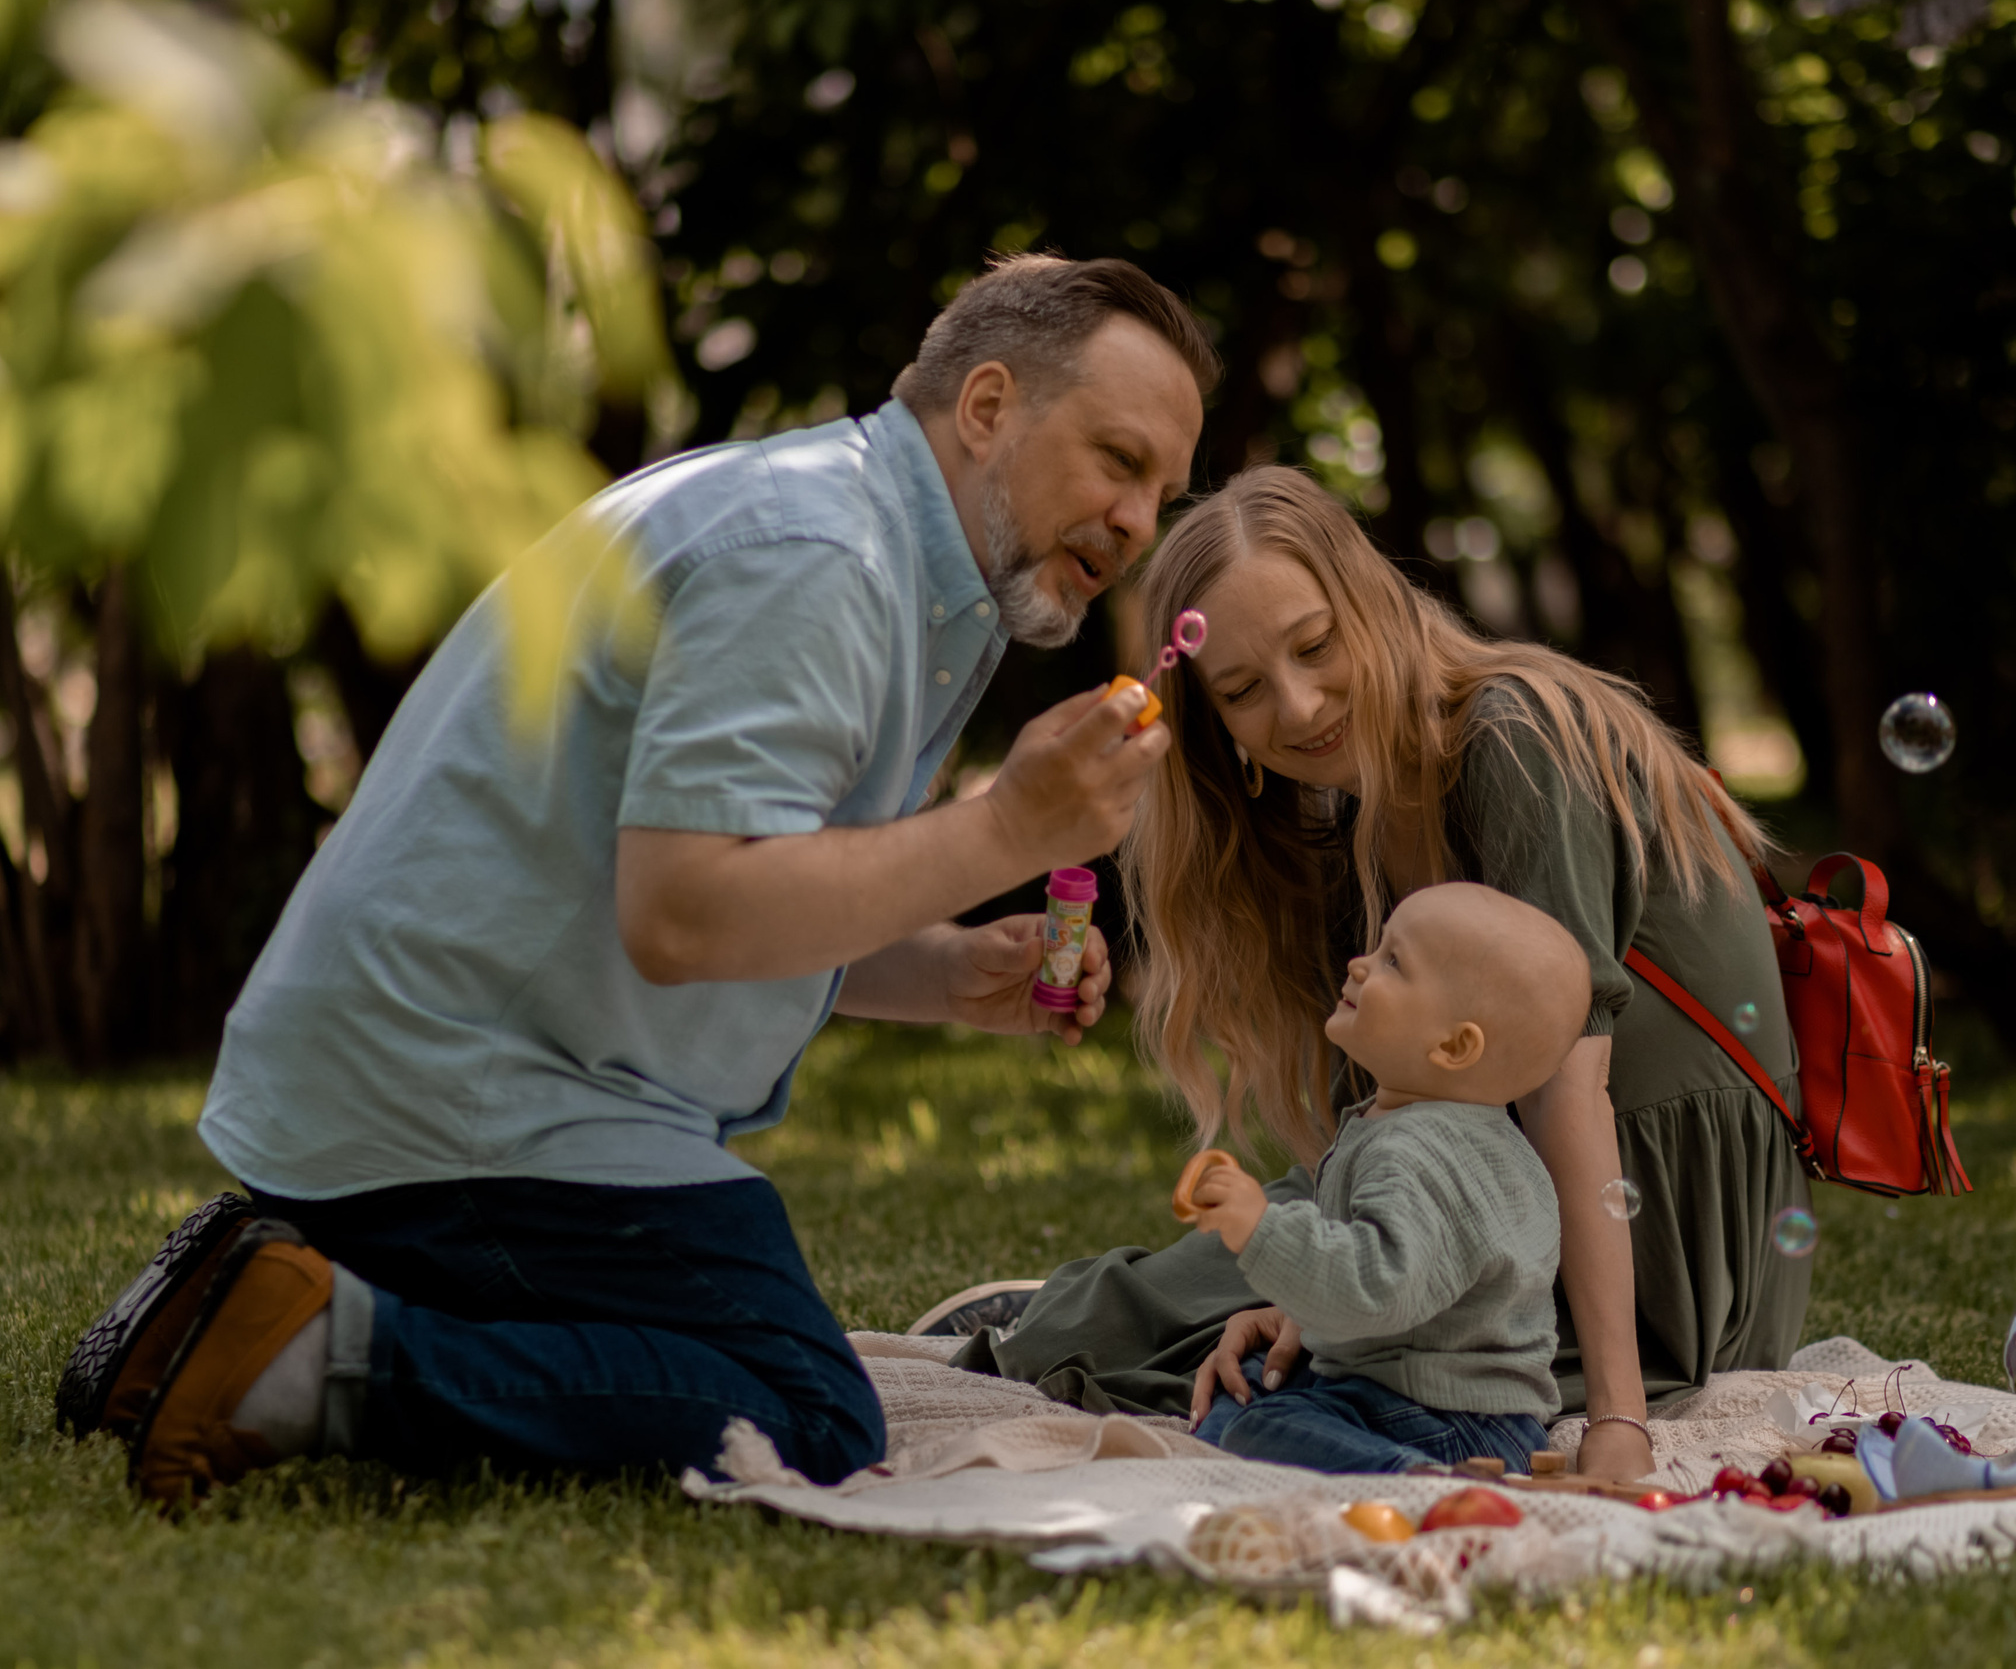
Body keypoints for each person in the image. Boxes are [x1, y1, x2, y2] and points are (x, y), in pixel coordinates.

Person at [60, 254, 1219, 1508]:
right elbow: (684, 914)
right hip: (466, 1106)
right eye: (1116, 460)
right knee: (810, 1414)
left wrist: (943, 973)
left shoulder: (870, 545)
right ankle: (303, 1355)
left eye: (1161, 493)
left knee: (740, 1367)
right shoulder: (818, 559)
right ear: (987, 407)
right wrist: (1004, 831)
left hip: (436, 1086)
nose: (1136, 522)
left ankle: (267, 1285)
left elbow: (754, 884)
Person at [951, 466, 1809, 1483]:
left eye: (1316, 645)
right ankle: (1066, 1312)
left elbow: (1568, 1096)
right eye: (1243, 690)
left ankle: (1063, 1313)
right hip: (1473, 1192)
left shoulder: (1515, 739)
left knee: (1182, 1348)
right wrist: (1309, 1304)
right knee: (1225, 1328)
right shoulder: (1344, 813)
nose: (1299, 705)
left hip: (1654, 1215)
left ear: (1371, 602)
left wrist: (1618, 1416)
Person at [1183, 882, 1590, 1474]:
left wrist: (1260, 1227)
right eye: (1378, 947)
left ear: (1454, 1044)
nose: (1359, 963)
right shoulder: (1472, 1137)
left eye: (1393, 962)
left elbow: (1375, 1288)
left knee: (1253, 1427)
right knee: (1245, 1387)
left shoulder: (1416, 1152)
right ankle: (1389, 1467)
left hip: (1444, 1421)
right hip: (1468, 1415)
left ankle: (1414, 1481)